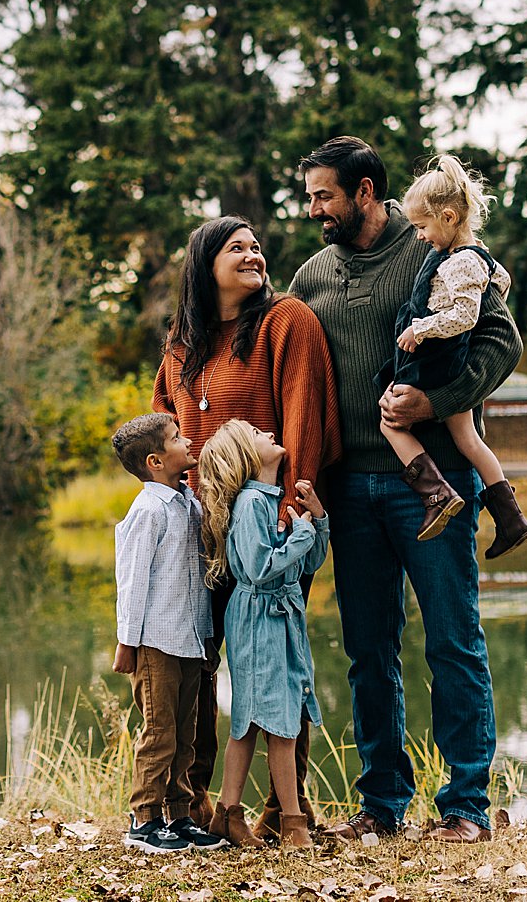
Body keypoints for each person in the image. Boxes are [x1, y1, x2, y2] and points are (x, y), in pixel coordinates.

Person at [289, 136, 522, 845]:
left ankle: (465, 806)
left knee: (453, 641)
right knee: (368, 650)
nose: (314, 210)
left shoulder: (436, 248)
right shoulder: (312, 277)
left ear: (365, 193)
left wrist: (437, 400)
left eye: (324, 196)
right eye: (309, 197)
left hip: (434, 483)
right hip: (350, 489)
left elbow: (500, 342)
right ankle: (383, 803)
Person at [150, 215, 340, 836]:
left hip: (264, 528)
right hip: (199, 532)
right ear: (205, 265)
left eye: (257, 247)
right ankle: (196, 804)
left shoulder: (287, 322)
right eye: (237, 248)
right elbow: (163, 420)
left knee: (279, 663)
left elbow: (302, 419)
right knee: (198, 665)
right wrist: (171, 503)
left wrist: (290, 519)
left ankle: (287, 810)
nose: (254, 255)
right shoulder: (183, 342)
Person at [382, 155, 527, 558]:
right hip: (447, 358)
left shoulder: (459, 262)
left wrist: (422, 328)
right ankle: (511, 518)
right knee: (469, 439)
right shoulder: (478, 255)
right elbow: (500, 280)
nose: (418, 237)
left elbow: (465, 316)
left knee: (389, 421)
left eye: (421, 227)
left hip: (435, 359)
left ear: (449, 217)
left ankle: (436, 496)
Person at [194, 419, 330, 851]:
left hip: (278, 618)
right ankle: (293, 824)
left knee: (252, 721)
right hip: (259, 619)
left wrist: (317, 519)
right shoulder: (252, 503)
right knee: (281, 723)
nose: (269, 434)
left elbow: (308, 564)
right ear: (246, 458)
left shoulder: (268, 501)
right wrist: (302, 534)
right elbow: (258, 569)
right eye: (257, 434)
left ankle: (227, 815)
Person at [110, 412, 229, 854]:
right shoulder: (147, 511)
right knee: (159, 733)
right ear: (157, 461)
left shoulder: (189, 503)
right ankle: (144, 820)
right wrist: (127, 642)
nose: (188, 440)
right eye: (178, 438)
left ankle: (179, 817)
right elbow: (133, 580)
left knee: (186, 735)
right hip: (156, 642)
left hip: (190, 637)